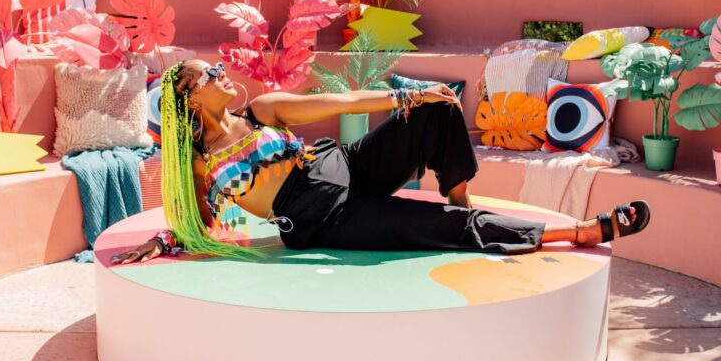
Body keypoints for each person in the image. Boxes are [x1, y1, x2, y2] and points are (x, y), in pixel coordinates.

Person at [111, 59, 651, 264]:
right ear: (189, 99)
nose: (222, 74)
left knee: (436, 109)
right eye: (210, 75)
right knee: (439, 230)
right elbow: (200, 225)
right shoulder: (202, 164)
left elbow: (342, 102)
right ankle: (582, 233)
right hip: (322, 219)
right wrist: (164, 241)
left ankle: (458, 195)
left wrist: (404, 99)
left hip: (344, 164)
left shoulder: (262, 109)